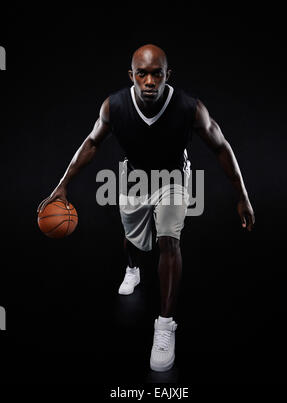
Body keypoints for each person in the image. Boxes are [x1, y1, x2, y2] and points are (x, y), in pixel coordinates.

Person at [37, 44, 255, 372]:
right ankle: (132, 268)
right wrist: (62, 184)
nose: (150, 81)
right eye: (142, 74)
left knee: (169, 240)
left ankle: (165, 325)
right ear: (132, 76)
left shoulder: (190, 107)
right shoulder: (115, 106)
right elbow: (92, 143)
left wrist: (243, 195)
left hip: (173, 179)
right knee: (133, 241)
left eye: (157, 73)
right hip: (134, 178)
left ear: (168, 76)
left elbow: (221, 147)